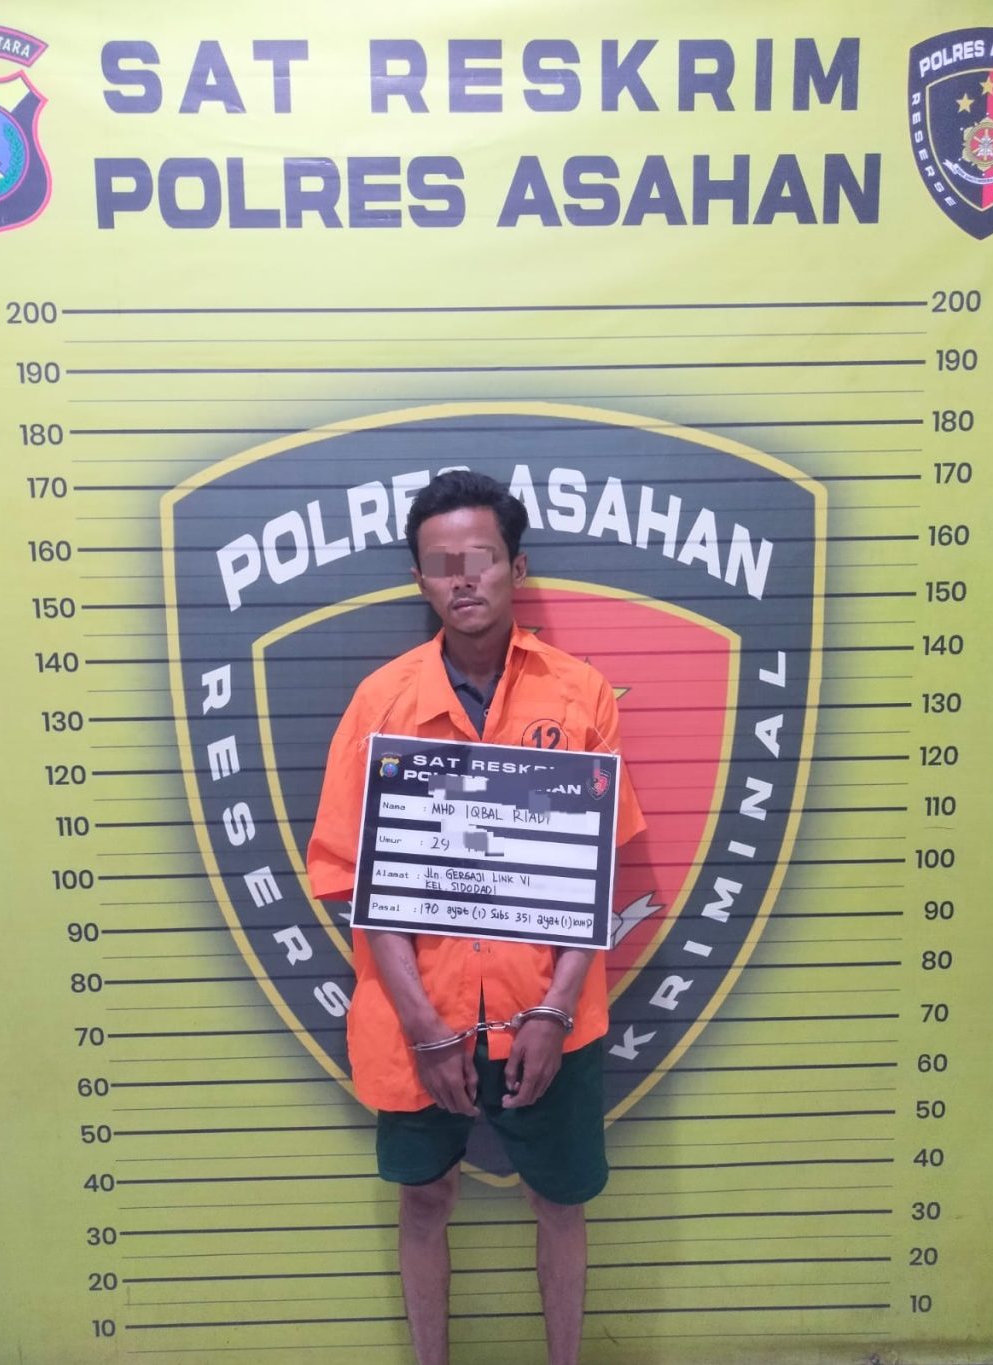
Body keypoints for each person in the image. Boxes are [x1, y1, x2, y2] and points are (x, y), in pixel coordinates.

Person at [307, 470, 645, 1365]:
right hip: (419, 1017)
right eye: (441, 563)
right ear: (420, 579)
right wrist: (424, 1026)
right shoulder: (381, 704)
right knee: (424, 1199)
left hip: (552, 1015)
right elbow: (362, 882)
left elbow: (594, 873)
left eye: (482, 558)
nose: (463, 577)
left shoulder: (581, 695)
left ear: (516, 567)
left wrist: (555, 1009)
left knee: (561, 1203)